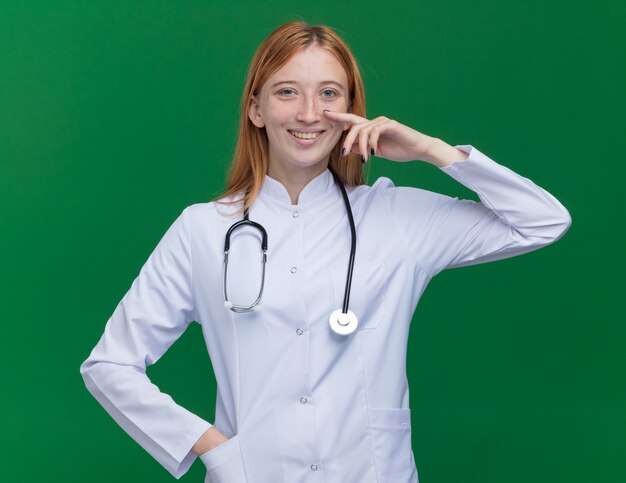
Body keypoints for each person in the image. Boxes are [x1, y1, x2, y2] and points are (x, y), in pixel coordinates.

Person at [80, 20, 571, 483]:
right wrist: (211, 447)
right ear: (256, 109)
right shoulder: (203, 230)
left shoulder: (396, 217)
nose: (309, 113)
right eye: (287, 91)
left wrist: (430, 149)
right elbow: (110, 365)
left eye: (329, 94)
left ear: (351, 111)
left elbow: (543, 221)